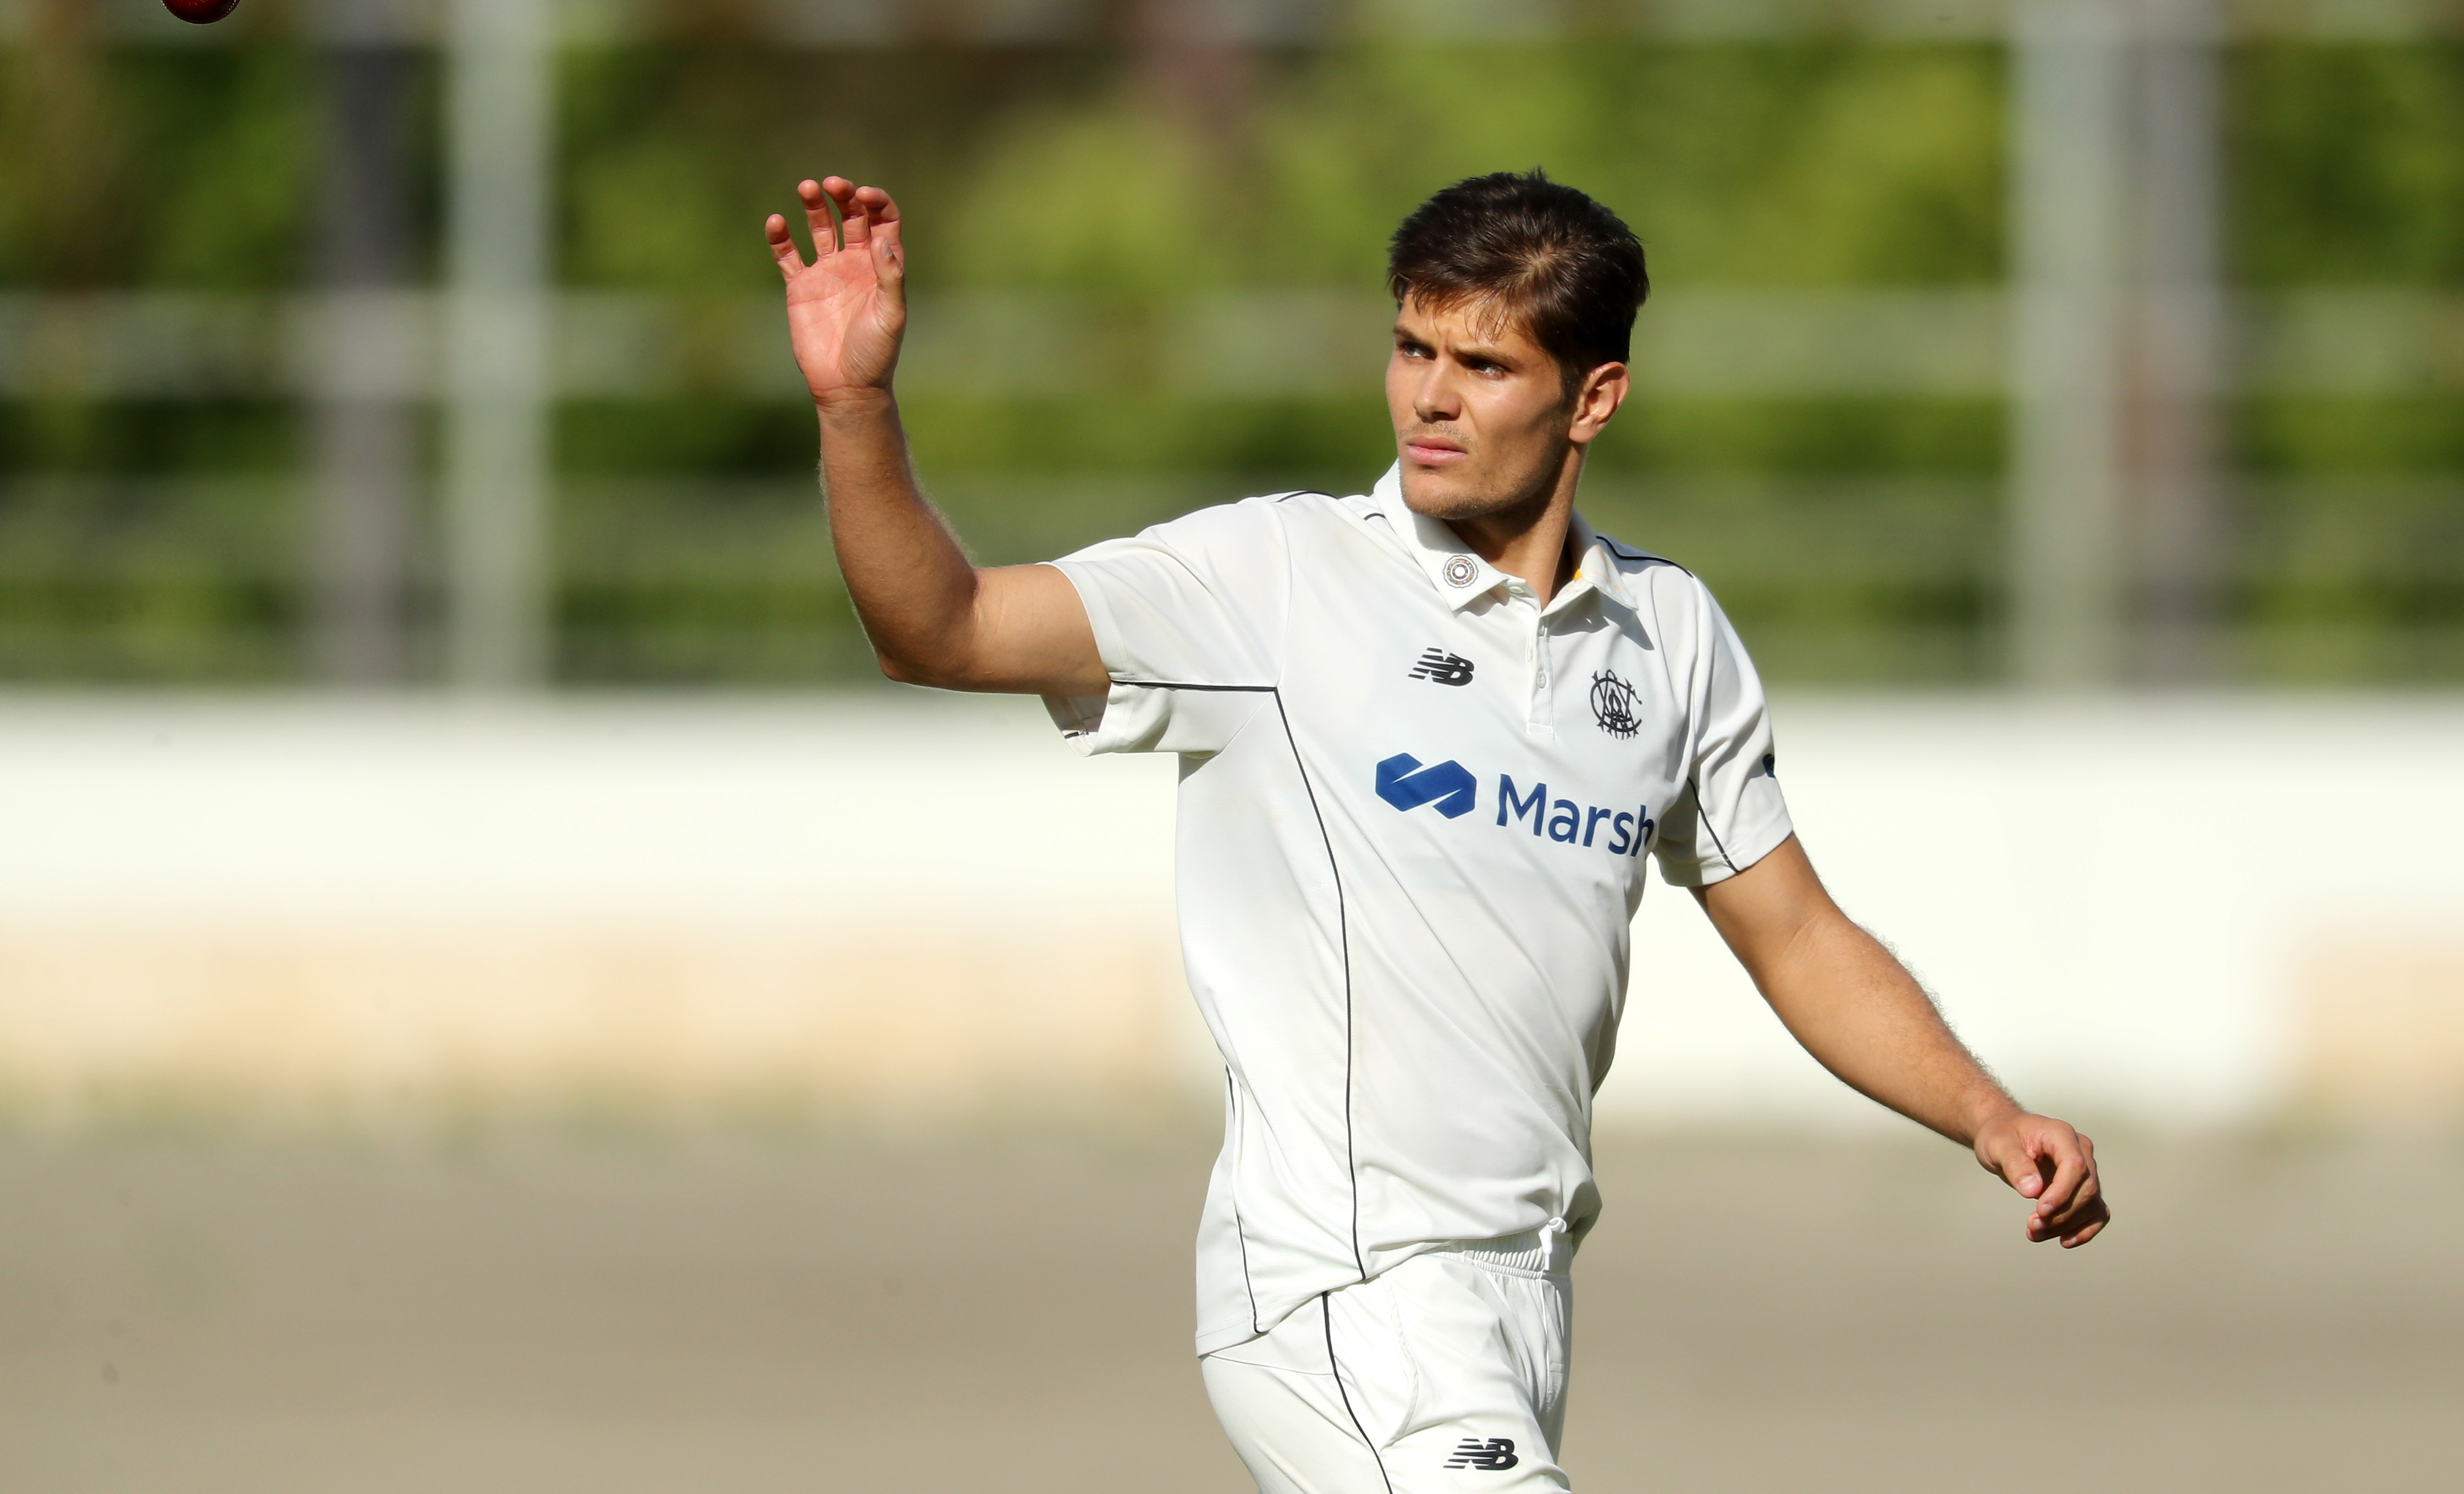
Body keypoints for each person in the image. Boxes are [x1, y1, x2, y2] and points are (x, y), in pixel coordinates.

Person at [764, 168, 2108, 1493]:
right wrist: (856, 406)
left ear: (1593, 396)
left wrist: (1985, 1113)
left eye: (1484, 363)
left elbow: (1795, 932)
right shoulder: (1278, 581)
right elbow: (941, 629)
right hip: (1342, 1287)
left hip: (1525, 1293)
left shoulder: (1671, 633)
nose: (1431, 395)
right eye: (1412, 346)